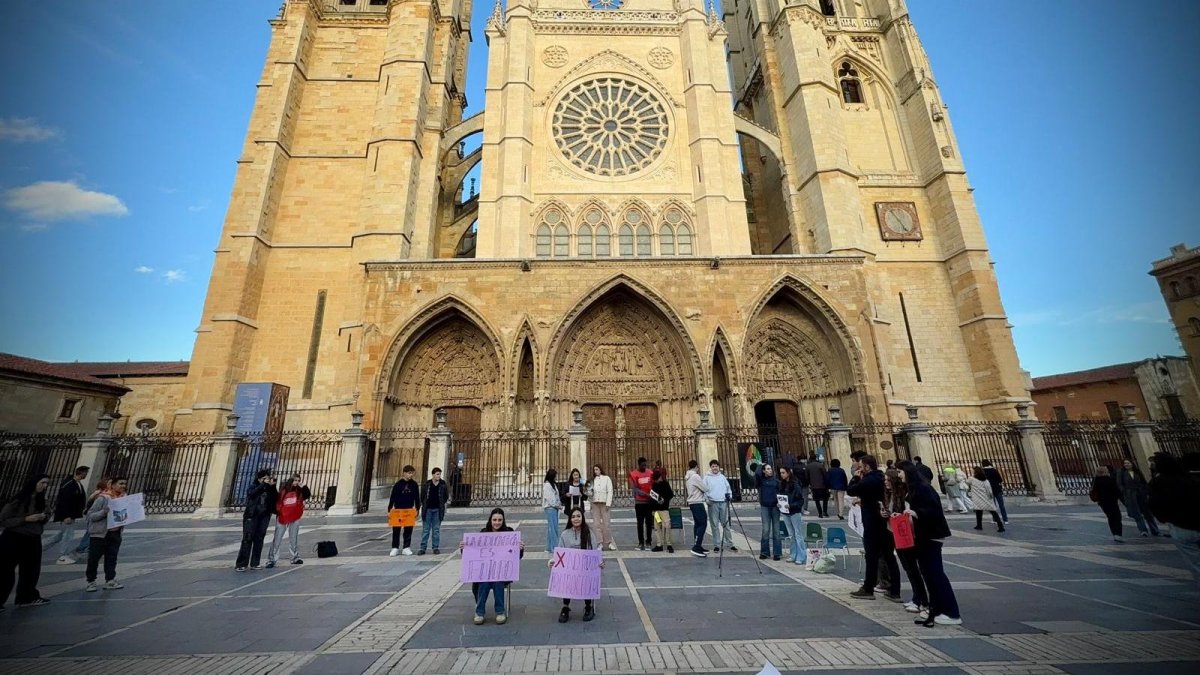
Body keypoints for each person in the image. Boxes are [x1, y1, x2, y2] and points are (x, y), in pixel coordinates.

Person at [899, 462, 962, 625]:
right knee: (928, 574)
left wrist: (916, 513)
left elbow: (934, 511)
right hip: (922, 536)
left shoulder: (924, 488)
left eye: (900, 471)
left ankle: (952, 612)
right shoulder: (914, 489)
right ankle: (936, 609)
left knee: (935, 574)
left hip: (931, 536)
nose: (898, 475)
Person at [847, 454, 901, 601]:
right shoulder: (879, 478)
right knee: (889, 557)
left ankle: (868, 588)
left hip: (872, 524)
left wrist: (856, 477)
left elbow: (850, 490)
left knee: (871, 556)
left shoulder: (869, 480)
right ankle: (895, 591)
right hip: (884, 524)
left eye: (861, 465)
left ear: (867, 466)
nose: (859, 467)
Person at [0, 474, 52, 609]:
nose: (45, 486)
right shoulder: (19, 499)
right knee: (6, 570)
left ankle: (26, 597)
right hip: (14, 537)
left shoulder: (43, 500)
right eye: (43, 482)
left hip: (33, 538)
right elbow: (4, 519)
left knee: (31, 570)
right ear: (34, 483)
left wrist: (44, 515)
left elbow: (47, 516)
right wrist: (26, 519)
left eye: (47, 483)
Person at [466, 507, 524, 625]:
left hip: (502, 571)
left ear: (503, 521)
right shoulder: (483, 533)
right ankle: (480, 612)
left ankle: (500, 611)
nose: (497, 522)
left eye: (499, 520)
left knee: (497, 580)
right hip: (485, 571)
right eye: (494, 520)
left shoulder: (509, 533)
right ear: (490, 520)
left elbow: (516, 557)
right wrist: (464, 548)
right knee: (484, 582)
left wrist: (520, 549)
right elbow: (474, 553)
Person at [1148, 452, 1200, 580]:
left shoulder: (1158, 482)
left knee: (1196, 564)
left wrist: (1164, 518)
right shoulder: (1190, 479)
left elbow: (1154, 504)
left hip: (1181, 526)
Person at [550, 507, 604, 623]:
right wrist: (553, 562)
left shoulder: (589, 533)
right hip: (570, 568)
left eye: (578, 516)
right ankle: (565, 606)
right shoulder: (565, 534)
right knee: (566, 577)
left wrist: (600, 562)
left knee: (587, 578)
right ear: (570, 519)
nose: (576, 519)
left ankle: (588, 606)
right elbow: (560, 552)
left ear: (582, 518)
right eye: (573, 517)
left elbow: (595, 551)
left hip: (584, 568)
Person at [889, 461, 927, 616]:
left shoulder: (911, 492)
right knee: (909, 568)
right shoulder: (897, 495)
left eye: (887, 480)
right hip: (901, 533)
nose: (885, 483)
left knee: (914, 568)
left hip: (911, 535)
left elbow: (926, 511)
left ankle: (923, 601)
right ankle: (918, 598)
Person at [85, 476, 128, 592]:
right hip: (100, 533)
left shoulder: (124, 499)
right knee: (94, 558)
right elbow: (90, 515)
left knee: (112, 558)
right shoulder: (103, 498)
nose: (123, 486)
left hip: (115, 533)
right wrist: (104, 512)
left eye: (124, 484)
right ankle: (91, 581)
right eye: (121, 483)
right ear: (113, 485)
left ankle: (110, 579)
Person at [236, 469, 278, 571]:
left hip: (264, 516)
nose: (267, 480)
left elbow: (275, 498)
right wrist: (262, 485)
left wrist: (272, 487)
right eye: (264, 478)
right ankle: (241, 564)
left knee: (259, 539)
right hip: (252, 516)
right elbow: (251, 494)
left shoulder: (268, 488)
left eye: (267, 478)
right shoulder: (253, 486)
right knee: (247, 539)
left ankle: (255, 563)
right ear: (259, 479)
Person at [267, 473, 311, 568]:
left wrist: (304, 486)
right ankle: (272, 559)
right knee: (277, 538)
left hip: (295, 516)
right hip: (283, 515)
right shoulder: (284, 489)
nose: (297, 482)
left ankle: (295, 557)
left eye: (298, 480)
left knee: (293, 537)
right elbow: (277, 500)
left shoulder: (299, 490)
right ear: (291, 480)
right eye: (295, 480)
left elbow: (307, 495)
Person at [49, 465, 90, 564]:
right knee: (68, 535)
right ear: (81, 472)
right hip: (67, 515)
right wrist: (66, 515)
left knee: (60, 536)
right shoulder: (70, 484)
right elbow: (63, 501)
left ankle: (40, 547)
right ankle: (62, 556)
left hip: (72, 514)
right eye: (86, 473)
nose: (86, 475)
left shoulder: (76, 483)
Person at [1115, 459, 1160, 537]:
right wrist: (1125, 491)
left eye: (1128, 463)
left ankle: (1155, 530)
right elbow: (1119, 484)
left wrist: (1145, 491)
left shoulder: (1137, 471)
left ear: (1132, 464)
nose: (1126, 464)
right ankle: (1143, 530)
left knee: (1148, 513)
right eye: (1125, 463)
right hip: (1130, 495)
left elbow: (1143, 482)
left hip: (1140, 494)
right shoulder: (1121, 472)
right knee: (1137, 514)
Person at [704, 460, 736, 552]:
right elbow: (704, 489)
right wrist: (706, 499)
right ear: (711, 467)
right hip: (712, 503)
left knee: (725, 524)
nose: (715, 468)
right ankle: (717, 545)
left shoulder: (722, 477)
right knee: (714, 525)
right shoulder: (706, 478)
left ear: (718, 467)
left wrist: (729, 496)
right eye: (713, 466)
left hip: (723, 502)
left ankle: (730, 543)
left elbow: (728, 488)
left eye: (716, 466)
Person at [388, 465, 420, 556]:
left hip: (409, 509)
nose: (411, 475)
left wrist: (417, 508)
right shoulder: (398, 484)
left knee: (408, 529)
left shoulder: (414, 484)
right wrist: (389, 509)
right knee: (396, 530)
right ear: (404, 473)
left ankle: (406, 547)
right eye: (409, 473)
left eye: (412, 473)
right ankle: (395, 547)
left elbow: (417, 497)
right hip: (398, 509)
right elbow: (392, 497)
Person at [778, 466, 806, 565]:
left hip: (794, 511)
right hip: (786, 512)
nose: (781, 475)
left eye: (783, 472)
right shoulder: (782, 484)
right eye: (780, 473)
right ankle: (793, 554)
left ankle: (801, 556)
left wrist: (791, 505)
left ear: (788, 473)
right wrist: (780, 504)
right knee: (791, 535)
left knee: (798, 534)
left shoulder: (795, 484)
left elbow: (800, 500)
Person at [419, 467, 449, 555]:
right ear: (433, 475)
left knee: (436, 530)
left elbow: (446, 496)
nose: (439, 476)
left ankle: (435, 547)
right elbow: (422, 496)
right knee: (426, 530)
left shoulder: (443, 484)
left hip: (437, 510)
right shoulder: (427, 484)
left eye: (439, 474)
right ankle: (423, 548)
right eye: (437, 474)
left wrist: (441, 503)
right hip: (427, 509)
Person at [755, 463, 782, 561]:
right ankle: (764, 552)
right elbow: (756, 475)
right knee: (765, 530)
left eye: (770, 469)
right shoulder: (761, 481)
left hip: (775, 507)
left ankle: (777, 553)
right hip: (765, 506)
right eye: (767, 469)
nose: (770, 470)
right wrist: (760, 465)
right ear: (764, 471)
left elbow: (781, 494)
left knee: (776, 531)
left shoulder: (777, 482)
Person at [965, 466, 1004, 533]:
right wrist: (991, 496)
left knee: (979, 512)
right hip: (986, 498)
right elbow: (989, 489)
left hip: (978, 499)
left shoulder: (972, 479)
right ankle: (1000, 526)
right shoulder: (986, 480)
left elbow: (967, 482)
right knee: (993, 512)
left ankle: (979, 525)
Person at [1090, 466, 1123, 542]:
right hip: (1112, 501)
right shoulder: (1110, 479)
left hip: (1102, 502)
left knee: (1110, 517)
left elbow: (1094, 490)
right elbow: (1116, 491)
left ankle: (1114, 533)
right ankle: (1118, 534)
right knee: (1117, 517)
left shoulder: (1095, 480)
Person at [628, 457, 655, 551]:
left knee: (649, 523)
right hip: (639, 502)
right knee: (640, 523)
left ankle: (648, 541)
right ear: (639, 465)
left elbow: (654, 485)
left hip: (649, 502)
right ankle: (641, 542)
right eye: (643, 465)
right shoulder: (633, 474)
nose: (644, 467)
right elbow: (634, 488)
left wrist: (652, 495)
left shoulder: (650, 473)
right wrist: (644, 493)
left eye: (645, 465)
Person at [684, 459, 709, 557]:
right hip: (697, 502)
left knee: (697, 524)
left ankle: (697, 544)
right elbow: (705, 488)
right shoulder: (695, 476)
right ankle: (697, 546)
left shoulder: (688, 476)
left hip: (692, 502)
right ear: (696, 467)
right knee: (703, 523)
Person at [589, 465, 615, 550]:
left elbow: (610, 491)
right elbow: (588, 491)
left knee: (606, 523)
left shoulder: (606, 478)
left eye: (597, 469)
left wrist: (608, 503)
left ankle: (609, 542)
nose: (595, 471)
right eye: (594, 470)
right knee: (596, 524)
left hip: (604, 503)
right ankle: (599, 542)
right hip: (595, 503)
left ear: (600, 469)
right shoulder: (592, 480)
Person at [649, 468, 674, 553]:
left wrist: (664, 500)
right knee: (657, 527)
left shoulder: (665, 484)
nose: (657, 480)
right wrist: (652, 509)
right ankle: (659, 544)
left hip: (664, 509)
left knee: (667, 526)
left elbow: (670, 495)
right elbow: (652, 497)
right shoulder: (654, 485)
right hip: (656, 511)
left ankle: (669, 544)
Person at [980, 460, 1009, 524]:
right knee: (1001, 505)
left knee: (993, 506)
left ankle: (995, 519)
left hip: (989, 490)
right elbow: (1000, 480)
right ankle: (1005, 520)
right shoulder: (994, 470)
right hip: (997, 489)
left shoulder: (983, 472)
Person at [542, 469, 562, 552]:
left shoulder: (552, 484)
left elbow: (556, 495)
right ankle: (554, 547)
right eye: (555, 476)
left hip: (554, 508)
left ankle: (549, 547)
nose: (556, 477)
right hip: (550, 508)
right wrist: (556, 505)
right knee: (553, 528)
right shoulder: (547, 485)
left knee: (552, 528)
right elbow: (549, 497)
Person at [805, 454, 829, 519]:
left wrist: (810, 484)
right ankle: (825, 512)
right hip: (823, 485)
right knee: (825, 499)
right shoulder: (820, 465)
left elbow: (807, 477)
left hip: (814, 486)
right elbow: (825, 475)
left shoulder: (808, 466)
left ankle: (820, 513)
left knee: (817, 500)